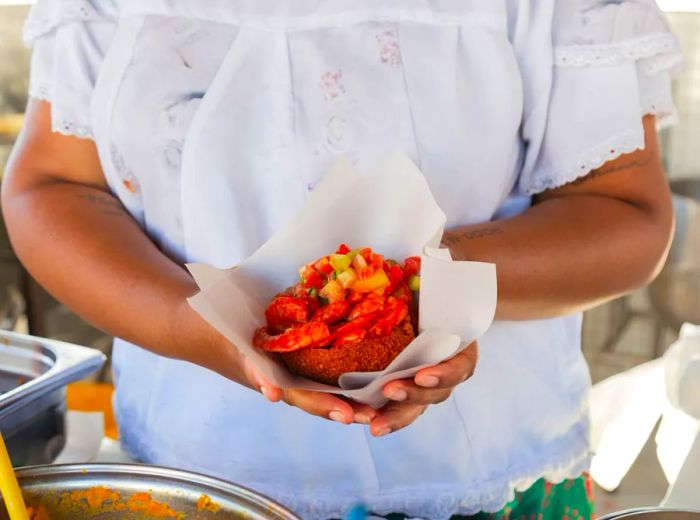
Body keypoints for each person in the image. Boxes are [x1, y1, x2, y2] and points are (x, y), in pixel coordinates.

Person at [2, 1, 681, 519]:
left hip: (489, 475)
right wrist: (194, 329)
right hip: (192, 478)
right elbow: (56, 186)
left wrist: (433, 293)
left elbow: (624, 209)